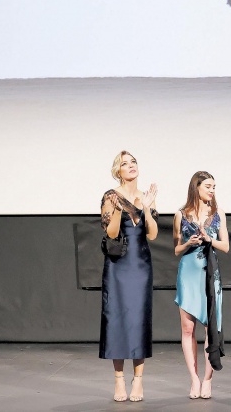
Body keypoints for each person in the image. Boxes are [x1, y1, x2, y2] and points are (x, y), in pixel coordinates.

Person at [99, 150, 158, 402]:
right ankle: (119, 380)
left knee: (138, 319)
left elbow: (152, 234)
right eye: (125, 163)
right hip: (118, 265)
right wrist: (115, 211)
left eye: (133, 161)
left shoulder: (146, 197)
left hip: (140, 265)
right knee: (117, 319)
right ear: (118, 171)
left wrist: (147, 208)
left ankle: (139, 380)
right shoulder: (111, 196)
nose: (131, 165)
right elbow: (112, 234)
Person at [173, 171, 230, 399]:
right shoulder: (180, 215)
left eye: (214, 186)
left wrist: (209, 239)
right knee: (188, 329)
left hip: (210, 273)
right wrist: (188, 242)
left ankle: (207, 379)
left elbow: (225, 246)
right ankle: (194, 379)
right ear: (196, 187)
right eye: (208, 186)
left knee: (210, 327)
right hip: (188, 274)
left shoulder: (218, 213)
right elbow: (176, 249)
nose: (212, 190)